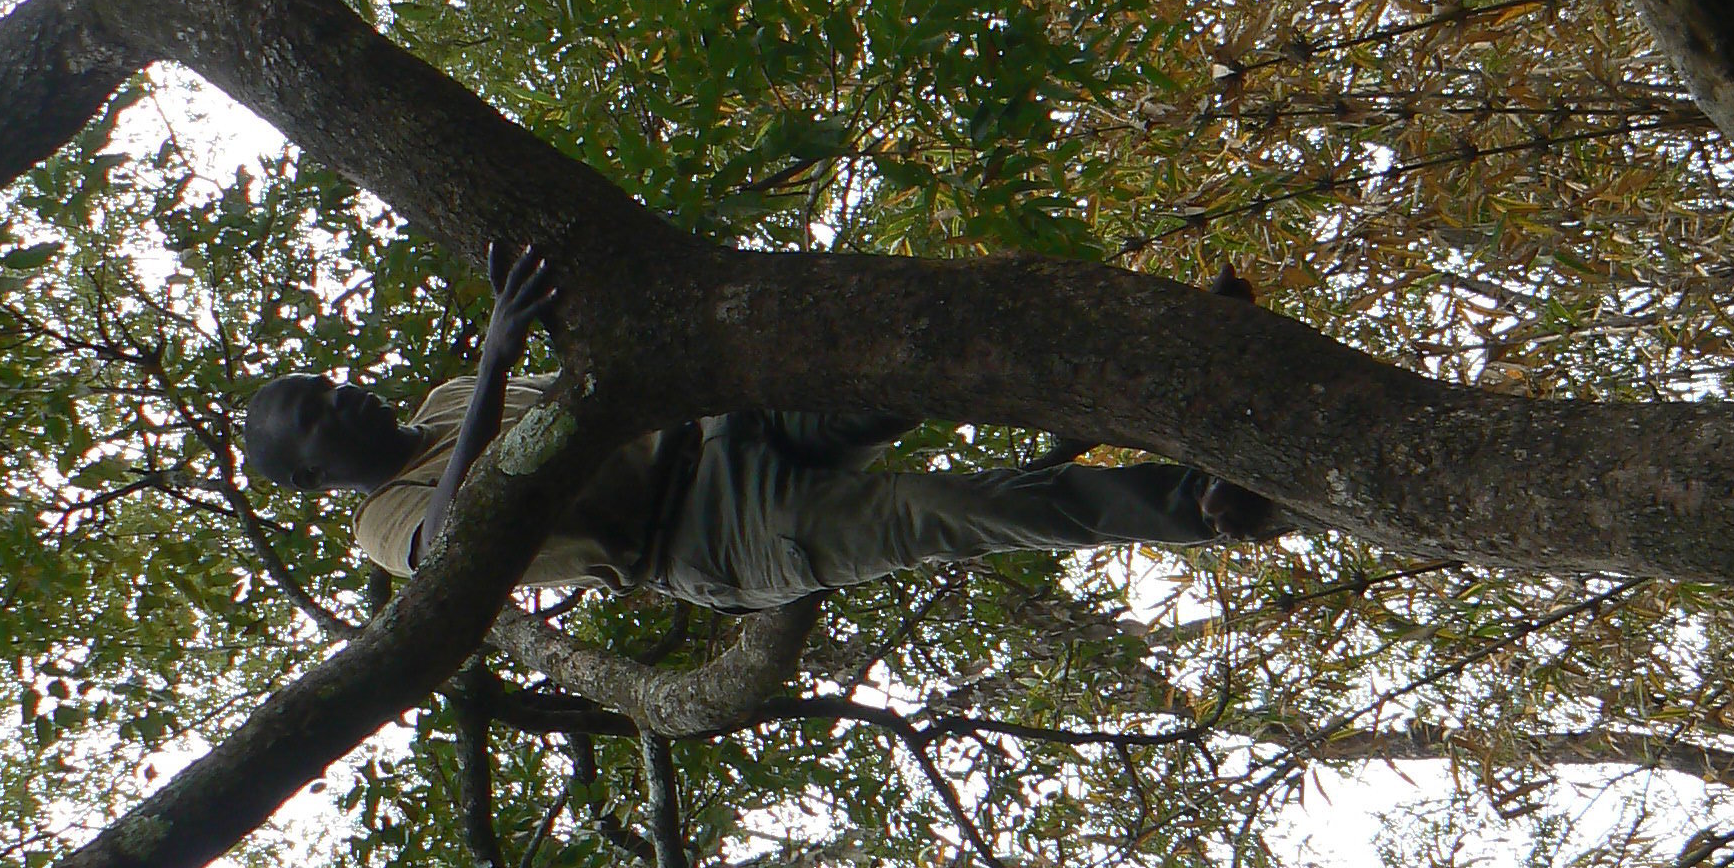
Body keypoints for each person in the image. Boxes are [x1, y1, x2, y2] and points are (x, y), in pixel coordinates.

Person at [242, 245, 1279, 610]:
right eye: (313, 415)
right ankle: (1209, 503)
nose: (340, 397)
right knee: (947, 508)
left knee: (935, 348)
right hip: (710, 532)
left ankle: (1167, 345)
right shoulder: (380, 526)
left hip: (722, 427)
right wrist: (498, 358)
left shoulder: (434, 405)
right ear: (310, 469)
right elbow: (460, 534)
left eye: (324, 383)